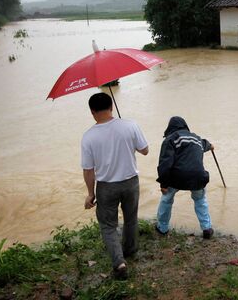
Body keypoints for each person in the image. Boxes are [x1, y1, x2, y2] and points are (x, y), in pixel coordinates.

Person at [81, 92, 148, 279]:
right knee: (130, 218)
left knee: (108, 225)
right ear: (111, 106)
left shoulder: (88, 137)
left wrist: (90, 194)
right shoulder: (130, 125)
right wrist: (129, 140)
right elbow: (145, 150)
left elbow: (88, 170)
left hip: (106, 187)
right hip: (130, 182)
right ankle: (130, 249)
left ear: (92, 111)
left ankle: (119, 263)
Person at [155, 116, 215, 239]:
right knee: (200, 200)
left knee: (166, 199)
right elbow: (205, 143)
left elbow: (164, 164)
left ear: (170, 128)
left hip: (177, 177)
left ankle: (162, 228)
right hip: (198, 176)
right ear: (185, 126)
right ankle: (207, 228)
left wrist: (163, 184)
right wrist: (211, 146)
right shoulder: (197, 139)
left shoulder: (170, 139)